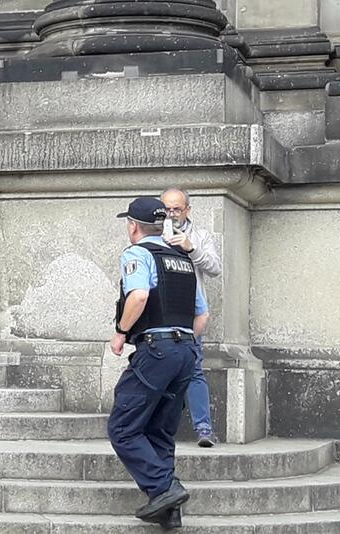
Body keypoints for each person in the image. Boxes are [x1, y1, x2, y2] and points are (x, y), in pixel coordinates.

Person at [110, 197, 210, 530]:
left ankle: (166, 488)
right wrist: (186, 346)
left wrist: (121, 332)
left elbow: (138, 296)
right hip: (185, 352)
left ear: (134, 226)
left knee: (123, 428)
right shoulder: (182, 258)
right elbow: (202, 314)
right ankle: (169, 512)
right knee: (161, 432)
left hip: (156, 351)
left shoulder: (137, 253)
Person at [161, 187, 223, 448]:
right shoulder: (154, 231)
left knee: (194, 368)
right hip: (161, 312)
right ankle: (157, 428)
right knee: (159, 370)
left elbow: (215, 268)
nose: (172, 213)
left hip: (191, 313)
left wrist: (191, 248)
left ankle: (204, 429)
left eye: (177, 208)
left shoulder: (200, 235)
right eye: (167, 208)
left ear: (187, 209)